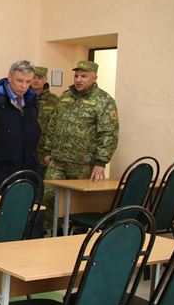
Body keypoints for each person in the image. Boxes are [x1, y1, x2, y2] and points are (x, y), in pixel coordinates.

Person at [41, 60, 119, 230]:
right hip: (58, 161)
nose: (79, 79)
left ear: (94, 77)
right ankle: (49, 233)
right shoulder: (65, 97)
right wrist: (48, 150)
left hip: (85, 164)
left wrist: (100, 163)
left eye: (84, 76)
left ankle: (76, 237)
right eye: (76, 75)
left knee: (79, 205)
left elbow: (109, 133)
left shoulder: (103, 101)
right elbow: (53, 124)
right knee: (48, 198)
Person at [0, 60, 41, 192]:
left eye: (28, 82)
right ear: (9, 77)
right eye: (20, 81)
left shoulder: (32, 103)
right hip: (0, 173)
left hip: (27, 170)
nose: (24, 86)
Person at [31, 65, 59, 170]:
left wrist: (50, 151)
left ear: (45, 79)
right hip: (27, 149)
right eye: (34, 77)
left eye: (39, 78)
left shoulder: (55, 101)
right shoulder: (22, 98)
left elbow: (57, 126)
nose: (36, 81)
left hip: (44, 151)